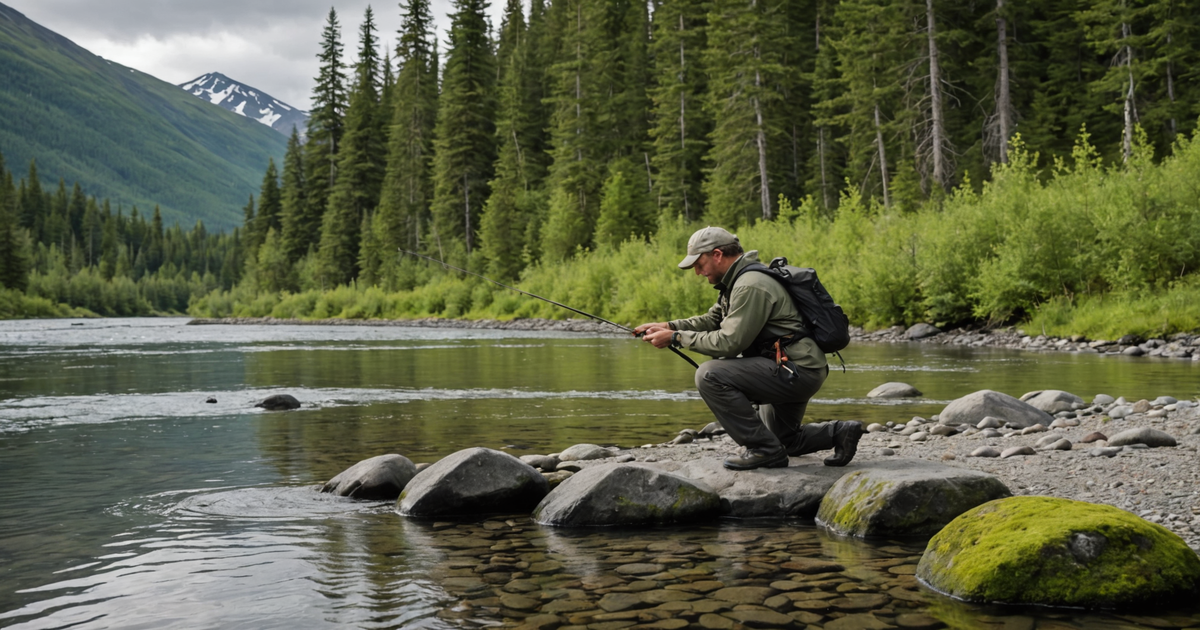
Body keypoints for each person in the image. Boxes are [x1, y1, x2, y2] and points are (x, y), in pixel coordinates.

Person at [635, 226, 862, 471]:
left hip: (794, 370)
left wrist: (677, 338)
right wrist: (667, 326)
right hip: (791, 367)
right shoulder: (739, 281)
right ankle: (839, 433)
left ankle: (765, 452)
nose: (698, 272)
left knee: (709, 375)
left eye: (699, 264)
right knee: (785, 441)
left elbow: (729, 343)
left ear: (718, 254)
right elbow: (713, 320)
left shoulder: (749, 285)